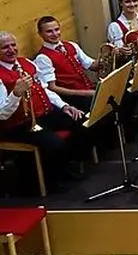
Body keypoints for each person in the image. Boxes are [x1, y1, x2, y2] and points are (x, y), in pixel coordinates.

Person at [0, 30, 90, 192]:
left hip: (43, 115)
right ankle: (52, 182)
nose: (11, 50)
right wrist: (16, 94)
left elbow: (44, 89)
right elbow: (2, 113)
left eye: (13, 45)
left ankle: (69, 166)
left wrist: (64, 106)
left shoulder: (26, 63)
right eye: (5, 47)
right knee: (54, 143)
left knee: (82, 121)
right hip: (19, 125)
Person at [33, 16, 97, 113]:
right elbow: (52, 88)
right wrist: (86, 93)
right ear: (40, 34)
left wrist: (108, 54)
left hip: (89, 89)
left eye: (57, 29)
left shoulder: (71, 45)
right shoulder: (42, 58)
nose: (55, 34)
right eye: (49, 31)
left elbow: (91, 65)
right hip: (73, 98)